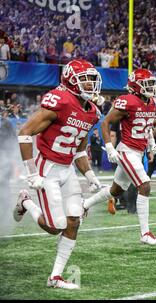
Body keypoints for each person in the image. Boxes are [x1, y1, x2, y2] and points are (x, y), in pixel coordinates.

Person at [13, 59, 104, 289]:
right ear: (71, 80)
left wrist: (90, 174)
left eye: (93, 79)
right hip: (48, 167)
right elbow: (24, 133)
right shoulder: (60, 100)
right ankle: (26, 202)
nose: (91, 84)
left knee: (74, 221)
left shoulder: (92, 111)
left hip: (68, 169)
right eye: (85, 79)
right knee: (55, 227)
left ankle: (55, 276)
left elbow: (79, 148)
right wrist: (32, 172)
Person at [81, 68, 156, 245]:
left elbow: (146, 127)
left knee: (115, 191)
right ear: (136, 86)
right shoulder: (127, 101)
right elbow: (106, 122)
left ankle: (84, 204)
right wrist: (110, 147)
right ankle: (145, 233)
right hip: (126, 150)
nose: (151, 87)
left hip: (139, 151)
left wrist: (151, 142)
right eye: (147, 84)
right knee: (145, 185)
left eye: (151, 83)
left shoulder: (154, 103)